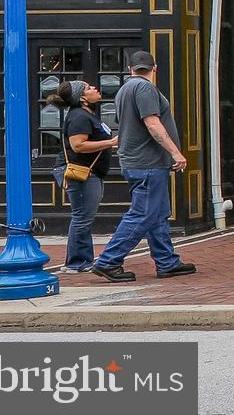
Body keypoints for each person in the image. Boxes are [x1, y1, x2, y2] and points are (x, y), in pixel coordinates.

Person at [91, 51, 194, 283]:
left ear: (130, 69)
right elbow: (153, 124)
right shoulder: (145, 88)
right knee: (143, 213)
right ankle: (109, 260)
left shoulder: (124, 90)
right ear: (154, 68)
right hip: (148, 162)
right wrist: (175, 152)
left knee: (157, 214)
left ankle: (167, 262)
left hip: (137, 161)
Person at [47, 80, 117, 273]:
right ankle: (77, 262)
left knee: (84, 217)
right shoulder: (79, 117)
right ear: (83, 98)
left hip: (91, 173)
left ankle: (82, 260)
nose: (94, 88)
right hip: (82, 174)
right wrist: (110, 143)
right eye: (88, 88)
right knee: (82, 217)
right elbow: (78, 145)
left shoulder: (87, 115)